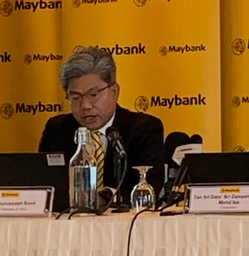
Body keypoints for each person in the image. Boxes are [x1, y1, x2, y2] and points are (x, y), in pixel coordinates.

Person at [39, 45, 164, 198]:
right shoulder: (57, 130)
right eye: (75, 97)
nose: (85, 106)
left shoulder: (144, 128)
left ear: (114, 92)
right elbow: (44, 188)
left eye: (93, 95)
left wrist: (104, 198)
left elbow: (151, 188)